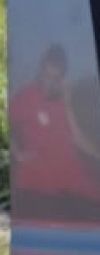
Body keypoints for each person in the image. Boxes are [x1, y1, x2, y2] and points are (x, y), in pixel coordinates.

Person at [11, 44, 100, 221]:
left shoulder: (67, 99)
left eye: (55, 78)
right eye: (46, 76)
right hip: (38, 180)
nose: (49, 83)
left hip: (71, 176)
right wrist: (17, 153)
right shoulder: (26, 96)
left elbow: (77, 138)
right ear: (40, 71)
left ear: (62, 78)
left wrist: (67, 102)